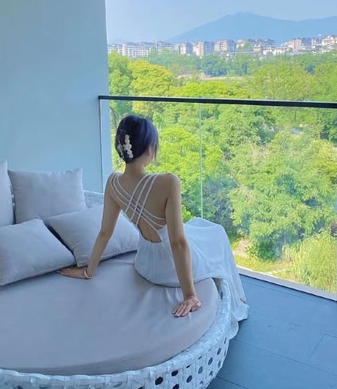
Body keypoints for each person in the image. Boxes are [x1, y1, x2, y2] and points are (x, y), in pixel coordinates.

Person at [60, 114, 248, 334]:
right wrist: (189, 295)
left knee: (199, 227)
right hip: (169, 269)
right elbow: (177, 243)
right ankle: (238, 298)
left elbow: (104, 233)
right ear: (150, 149)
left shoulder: (113, 182)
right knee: (217, 233)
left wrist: (88, 271)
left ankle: (236, 296)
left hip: (145, 264)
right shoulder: (168, 182)